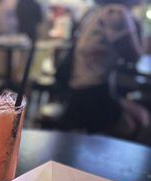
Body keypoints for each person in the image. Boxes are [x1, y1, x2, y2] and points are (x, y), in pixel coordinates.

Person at [63, 0, 149, 138]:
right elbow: (134, 56)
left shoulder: (97, 11)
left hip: (78, 88)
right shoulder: (116, 13)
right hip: (91, 93)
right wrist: (138, 26)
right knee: (142, 117)